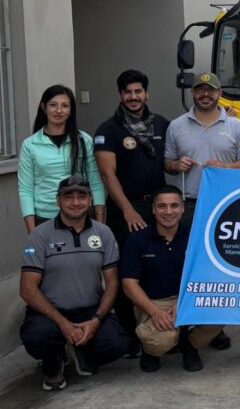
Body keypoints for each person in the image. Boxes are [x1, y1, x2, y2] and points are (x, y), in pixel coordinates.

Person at [19, 175, 130, 391]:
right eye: (68, 196)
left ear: (90, 200)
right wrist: (63, 324)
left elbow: (112, 282)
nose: (76, 202)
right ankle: (54, 361)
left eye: (82, 196)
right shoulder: (40, 235)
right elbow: (27, 289)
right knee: (38, 337)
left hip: (89, 311)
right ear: (58, 200)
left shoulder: (103, 232)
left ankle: (81, 350)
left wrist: (97, 320)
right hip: (50, 314)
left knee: (117, 343)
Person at [94, 69, 170, 338]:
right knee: (127, 270)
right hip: (125, 211)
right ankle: (128, 333)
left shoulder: (161, 124)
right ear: (120, 95)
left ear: (147, 94)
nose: (134, 97)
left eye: (138, 91)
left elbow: (172, 157)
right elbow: (107, 174)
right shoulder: (108, 129)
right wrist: (127, 210)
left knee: (158, 267)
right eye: (128, 92)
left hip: (157, 209)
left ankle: (157, 326)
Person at [120, 187, 222, 373]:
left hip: (187, 297)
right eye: (162, 206)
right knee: (161, 341)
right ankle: (151, 351)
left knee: (221, 312)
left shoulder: (195, 238)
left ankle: (190, 345)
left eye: (174, 206)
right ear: (153, 209)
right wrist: (155, 313)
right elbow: (129, 284)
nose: (168, 211)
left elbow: (207, 276)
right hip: (153, 302)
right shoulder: (137, 239)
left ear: (182, 208)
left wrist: (184, 302)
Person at [163, 73, 240, 228]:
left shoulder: (237, 126)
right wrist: (176, 165)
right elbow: (167, 163)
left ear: (219, 93)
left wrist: (225, 166)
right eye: (200, 89)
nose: (205, 94)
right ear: (192, 92)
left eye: (210, 90)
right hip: (188, 204)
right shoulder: (176, 126)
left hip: (226, 202)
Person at [18, 85, 105, 232]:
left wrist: (100, 221)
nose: (59, 110)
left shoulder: (84, 140)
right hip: (45, 218)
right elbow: (26, 189)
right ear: (44, 108)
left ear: (71, 111)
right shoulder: (30, 144)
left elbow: (96, 183)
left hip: (81, 216)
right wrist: (32, 231)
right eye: (53, 105)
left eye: (65, 106)